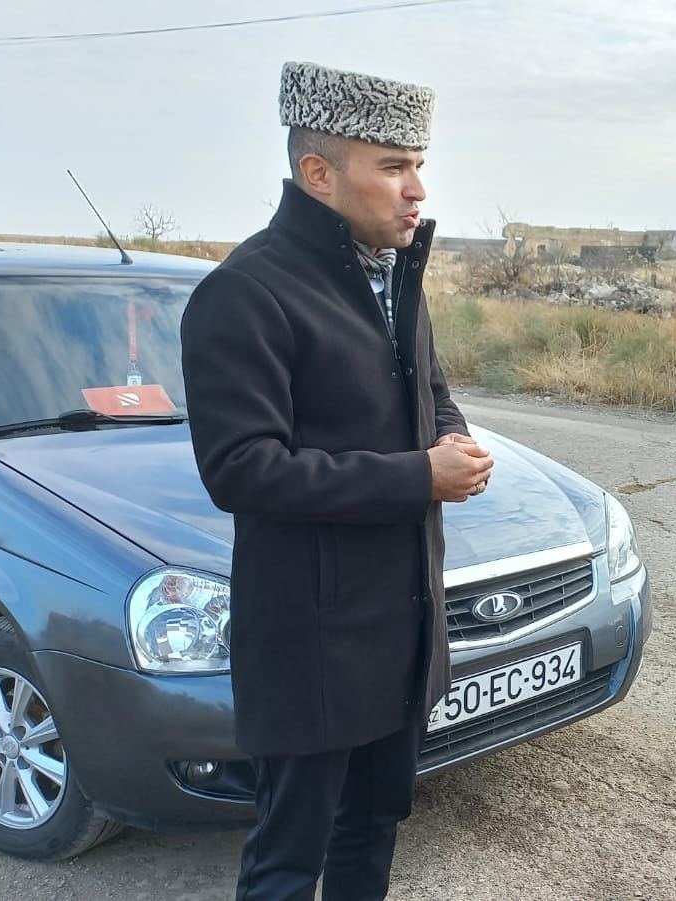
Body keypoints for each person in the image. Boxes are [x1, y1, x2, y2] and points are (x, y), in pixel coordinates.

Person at [181, 61, 494, 901]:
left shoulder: (393, 279)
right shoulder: (245, 293)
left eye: (418, 162)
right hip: (311, 645)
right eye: (393, 165)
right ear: (319, 173)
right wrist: (419, 475)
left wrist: (454, 442)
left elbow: (432, 394)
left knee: (372, 837)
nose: (417, 187)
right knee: (290, 860)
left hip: (401, 633)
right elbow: (241, 468)